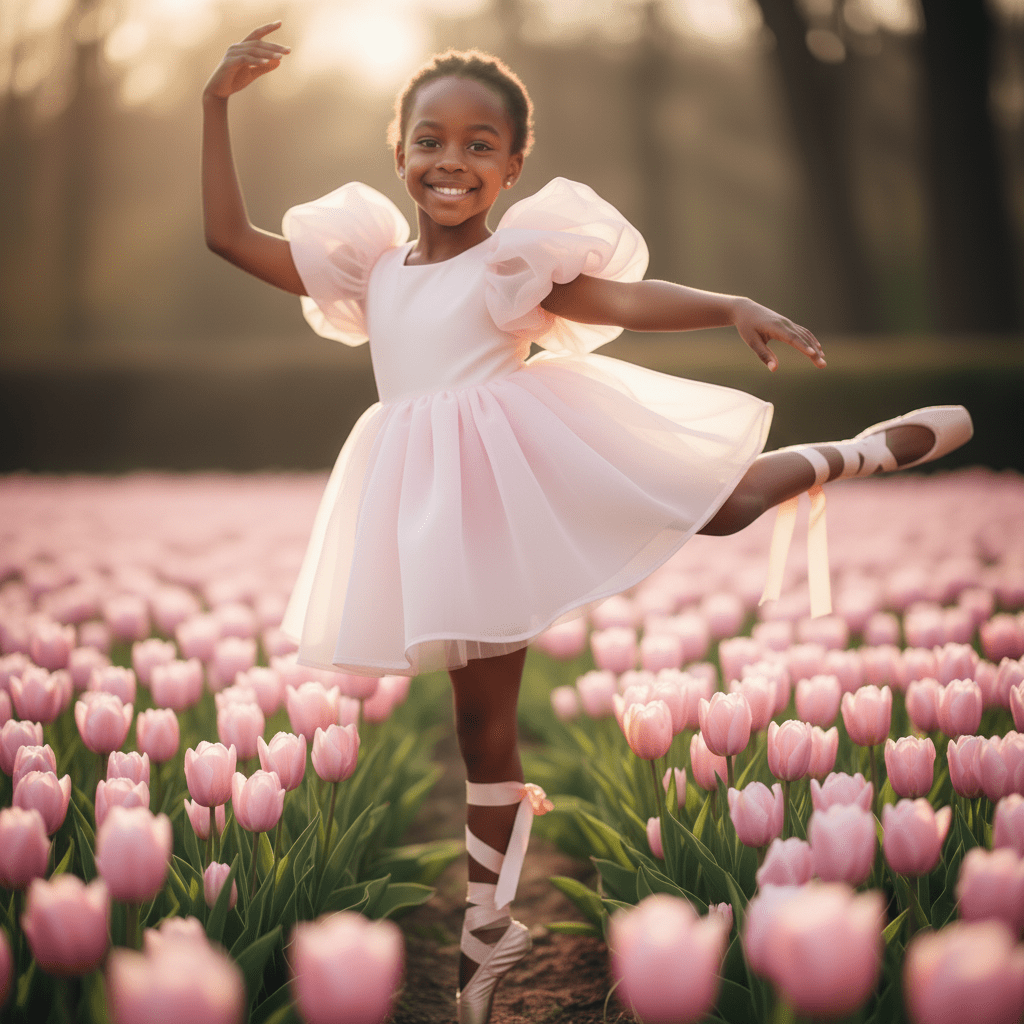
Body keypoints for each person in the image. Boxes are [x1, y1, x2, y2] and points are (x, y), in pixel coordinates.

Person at [202, 24, 972, 1023]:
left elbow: (618, 295)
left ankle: (853, 452)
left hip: (519, 458)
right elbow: (227, 237)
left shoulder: (509, 269)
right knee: (480, 728)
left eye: (482, 144)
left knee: (724, 504)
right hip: (431, 499)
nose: (452, 159)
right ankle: (489, 929)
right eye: (431, 138)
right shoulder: (371, 272)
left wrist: (727, 303)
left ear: (514, 166)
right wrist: (215, 104)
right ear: (398, 151)